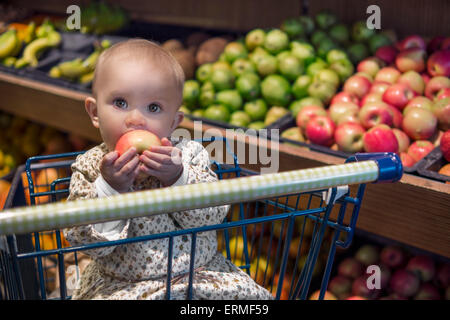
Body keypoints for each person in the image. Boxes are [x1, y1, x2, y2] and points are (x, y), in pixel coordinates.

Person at [63, 39, 273, 300]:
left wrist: (178, 177)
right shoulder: (91, 167)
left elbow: (213, 214)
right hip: (124, 287)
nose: (135, 119)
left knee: (249, 300)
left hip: (200, 277)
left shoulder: (189, 155)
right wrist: (109, 188)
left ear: (174, 122)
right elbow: (85, 241)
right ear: (95, 112)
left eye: (153, 108)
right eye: (120, 102)